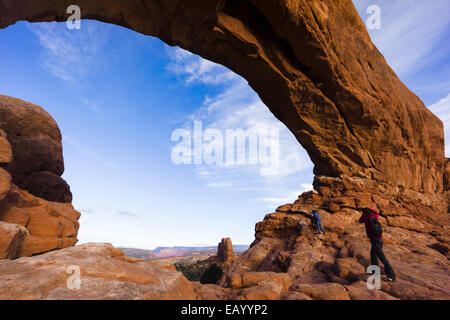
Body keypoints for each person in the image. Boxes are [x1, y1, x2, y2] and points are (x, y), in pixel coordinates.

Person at [358, 207, 396, 282]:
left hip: (374, 240)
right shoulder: (375, 215)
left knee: (382, 258)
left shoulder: (367, 218)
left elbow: (360, 221)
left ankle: (392, 276)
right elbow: (375, 211)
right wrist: (367, 210)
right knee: (373, 254)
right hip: (380, 239)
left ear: (365, 212)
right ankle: (375, 271)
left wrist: (363, 213)